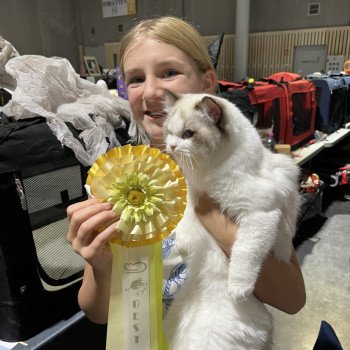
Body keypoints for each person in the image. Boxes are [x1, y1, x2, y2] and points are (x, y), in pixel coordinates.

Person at [67, 16, 306, 325]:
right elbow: (97, 313)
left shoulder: (246, 171)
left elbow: (293, 299)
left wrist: (213, 218)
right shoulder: (115, 179)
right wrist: (99, 264)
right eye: (135, 79)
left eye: (169, 72)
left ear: (206, 83)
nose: (151, 91)